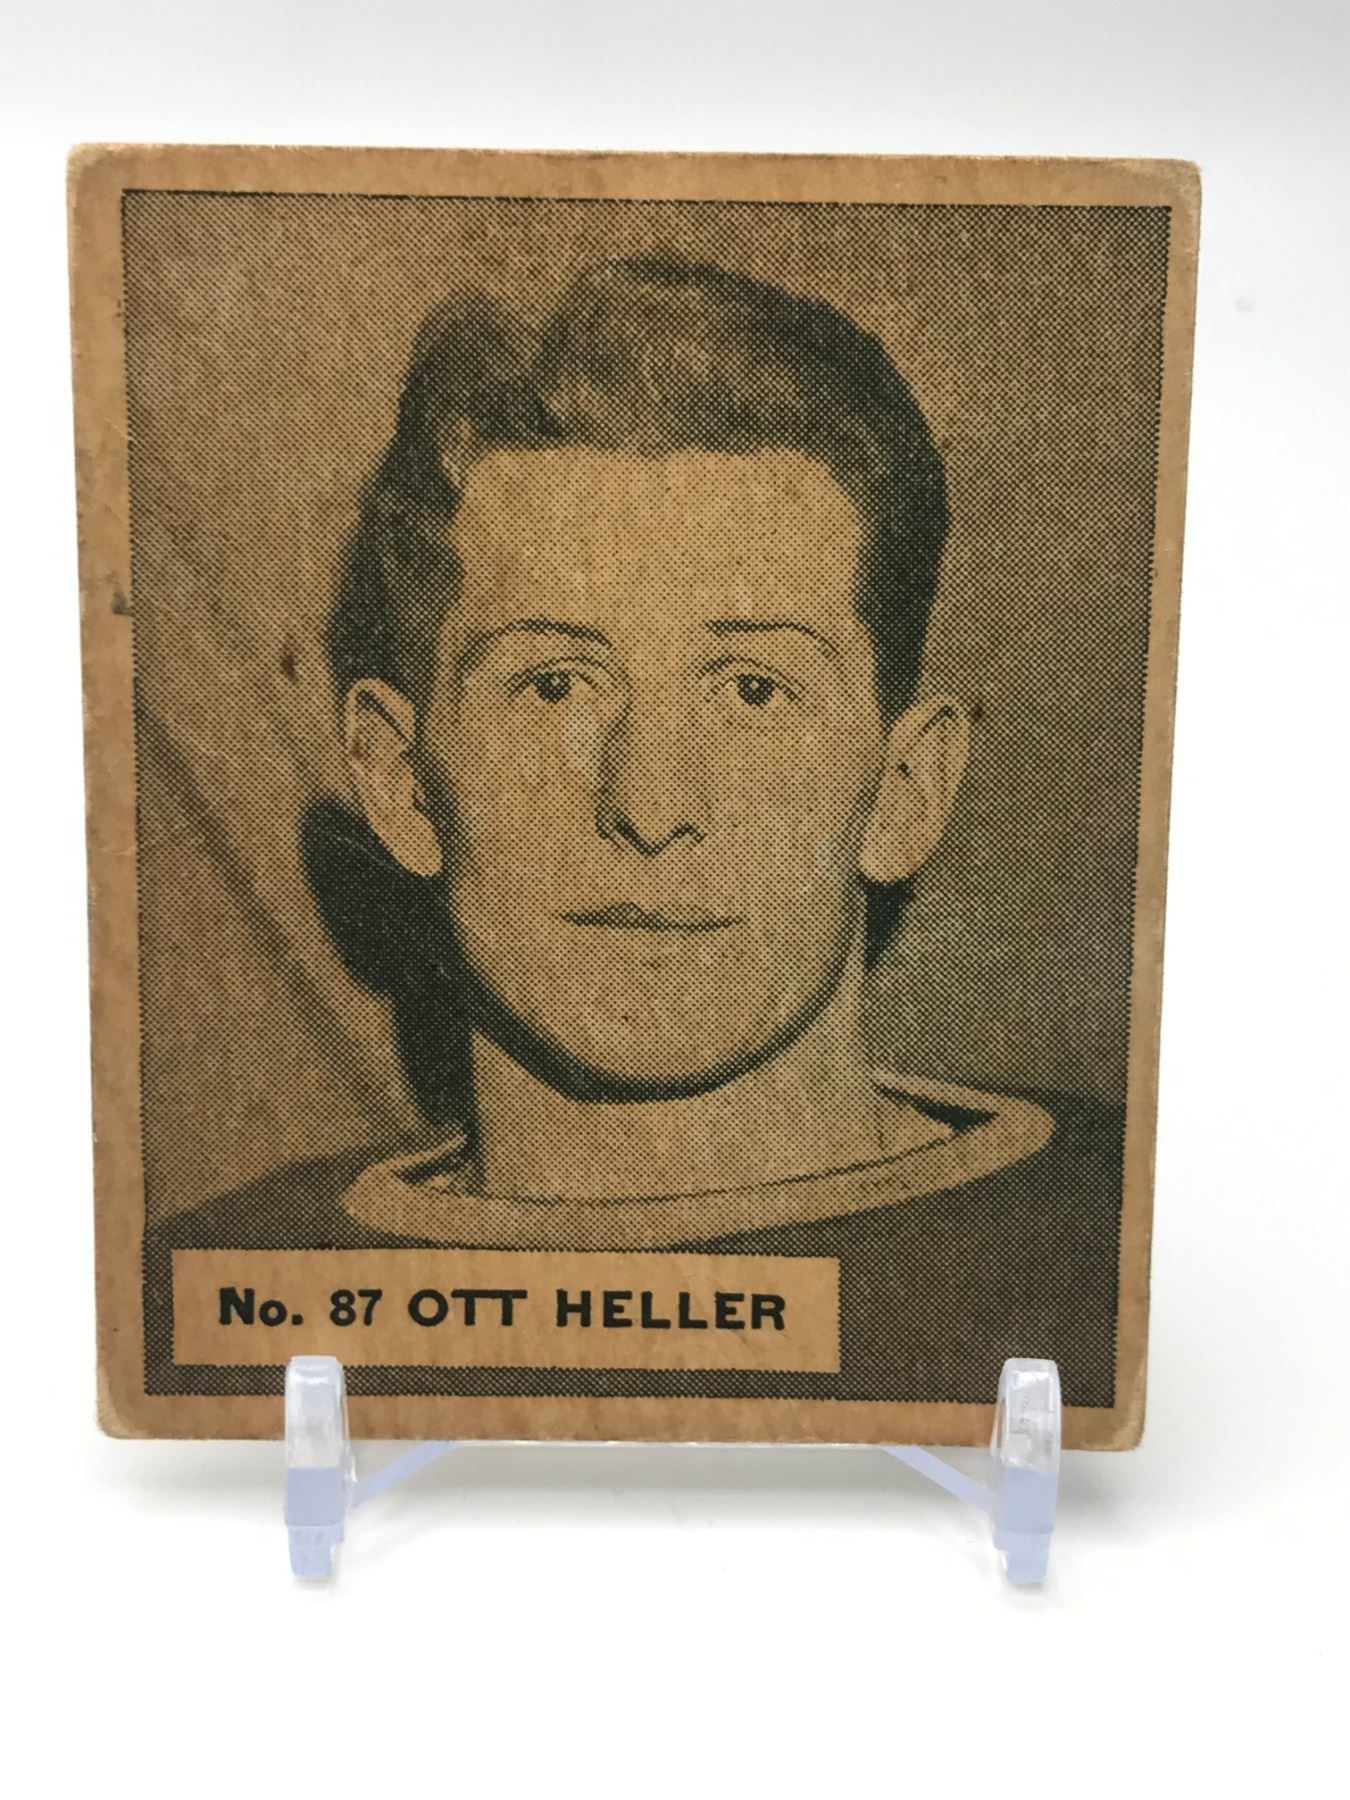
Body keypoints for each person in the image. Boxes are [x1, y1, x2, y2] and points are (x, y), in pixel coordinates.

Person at [150, 255, 1123, 1408]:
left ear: (905, 787)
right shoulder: (206, 1301)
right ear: (403, 783)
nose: (652, 807)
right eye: (555, 685)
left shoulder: (1120, 1237)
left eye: (754, 689)